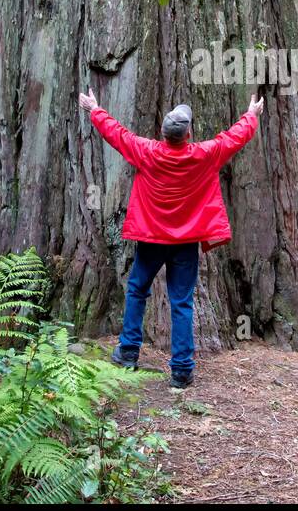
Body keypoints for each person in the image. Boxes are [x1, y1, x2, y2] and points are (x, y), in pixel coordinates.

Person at [79, 89, 264, 389]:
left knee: (137, 289)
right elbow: (234, 137)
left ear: (164, 134)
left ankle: (128, 352)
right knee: (181, 302)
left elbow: (117, 134)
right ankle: (181, 371)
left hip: (151, 240)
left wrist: (94, 109)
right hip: (185, 244)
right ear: (188, 133)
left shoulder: (147, 151)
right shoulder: (204, 155)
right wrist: (252, 115)